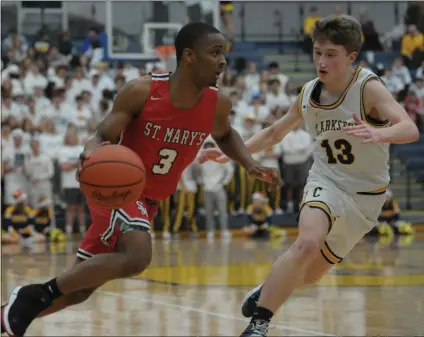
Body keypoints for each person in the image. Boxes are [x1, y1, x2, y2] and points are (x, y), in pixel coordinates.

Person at [1, 22, 279, 337]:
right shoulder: (143, 91)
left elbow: (226, 135)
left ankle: (7, 316)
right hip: (119, 189)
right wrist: (90, 154)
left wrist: (250, 164)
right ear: (188, 56)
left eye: (224, 53)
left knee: (79, 289)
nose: (223, 61)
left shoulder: (218, 104)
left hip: (150, 201)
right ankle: (33, 294)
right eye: (214, 52)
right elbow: (104, 134)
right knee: (137, 257)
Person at [198, 15, 419, 337]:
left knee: (311, 276)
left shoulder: (368, 88)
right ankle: (259, 324)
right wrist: (231, 151)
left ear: (351, 57)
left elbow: (409, 128)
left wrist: (378, 133)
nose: (321, 60)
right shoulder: (308, 93)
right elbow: (275, 133)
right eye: (317, 52)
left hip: (366, 197)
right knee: (306, 243)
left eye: (331, 54)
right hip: (325, 181)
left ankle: (267, 289)